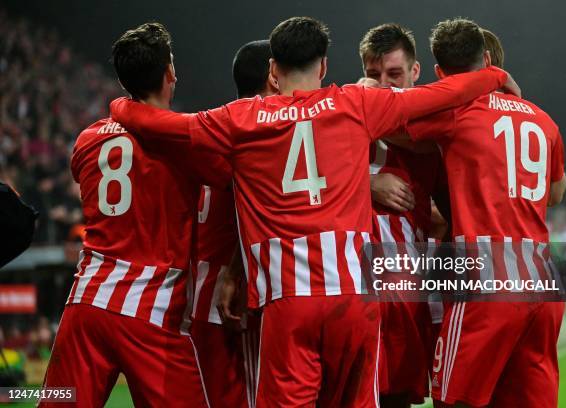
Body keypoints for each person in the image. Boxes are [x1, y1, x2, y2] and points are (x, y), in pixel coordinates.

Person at [110, 16, 517, 407]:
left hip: (289, 304)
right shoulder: (354, 103)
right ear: (324, 66)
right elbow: (439, 95)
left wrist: (120, 107)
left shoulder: (243, 118)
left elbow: (169, 127)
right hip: (355, 300)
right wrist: (494, 77)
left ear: (273, 70)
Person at [41, 23, 231, 407]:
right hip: (151, 309)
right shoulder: (183, 142)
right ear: (169, 73)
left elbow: (87, 177)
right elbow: (227, 175)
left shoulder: (87, 139)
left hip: (87, 302)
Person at [402, 18, 566, 407]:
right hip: (542, 275)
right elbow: (556, 191)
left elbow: (393, 123)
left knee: (453, 399)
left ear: (441, 73)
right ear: (489, 59)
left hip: (486, 275)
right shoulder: (543, 119)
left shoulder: (457, 111)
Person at [358, 23, 448, 408]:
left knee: (399, 393)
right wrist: (363, 182)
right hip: (353, 279)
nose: (383, 84)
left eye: (394, 75)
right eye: (374, 75)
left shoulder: (435, 119)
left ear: (415, 72)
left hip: (410, 276)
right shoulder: (340, 110)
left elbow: (428, 147)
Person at [191, 39, 277, 408]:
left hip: (196, 297)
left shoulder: (211, 127)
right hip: (239, 296)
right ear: (275, 76)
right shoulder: (266, 134)